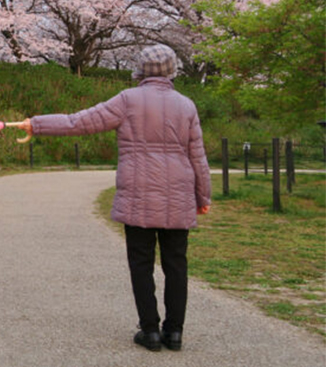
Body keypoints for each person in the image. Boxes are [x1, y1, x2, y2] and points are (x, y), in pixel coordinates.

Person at [19, 44, 211, 352]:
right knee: (176, 264)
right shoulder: (186, 105)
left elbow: (78, 122)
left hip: (138, 194)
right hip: (178, 194)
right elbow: (197, 156)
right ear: (173, 70)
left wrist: (37, 124)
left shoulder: (127, 100)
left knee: (141, 263)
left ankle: (149, 331)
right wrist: (203, 195)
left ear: (140, 70)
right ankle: (174, 332)